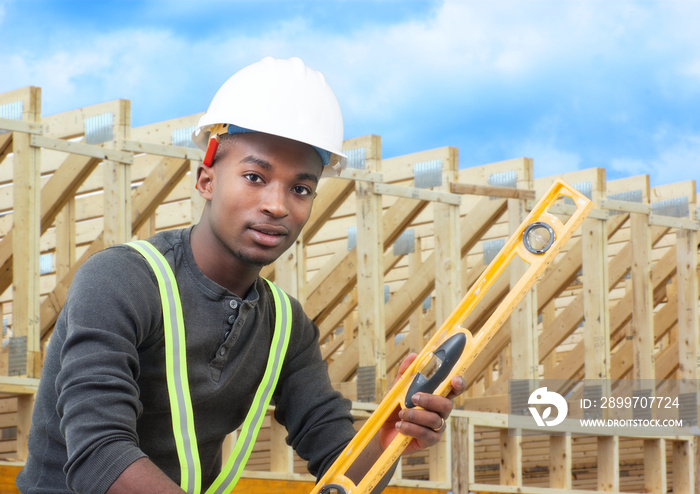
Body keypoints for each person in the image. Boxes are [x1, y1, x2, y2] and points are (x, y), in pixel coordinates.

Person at [17, 57, 465, 493]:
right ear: (207, 180)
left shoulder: (286, 326)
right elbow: (100, 454)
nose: (277, 204)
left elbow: (343, 468)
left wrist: (388, 436)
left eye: (301, 188)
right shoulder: (121, 281)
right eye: (254, 176)